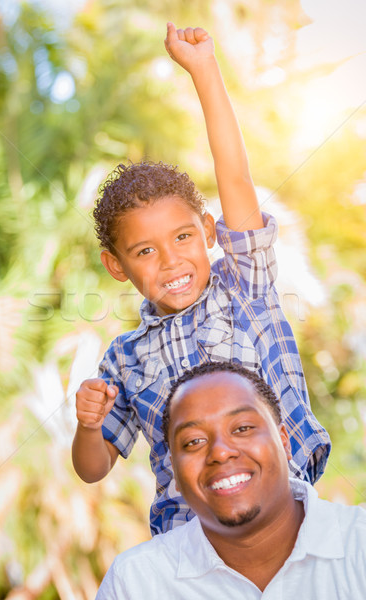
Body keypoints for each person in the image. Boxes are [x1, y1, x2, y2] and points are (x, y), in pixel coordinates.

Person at [72, 23, 330, 536]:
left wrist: (204, 69)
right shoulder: (124, 358)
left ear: (209, 231)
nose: (171, 261)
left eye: (183, 238)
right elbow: (92, 467)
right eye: (146, 250)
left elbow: (235, 177)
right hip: (187, 540)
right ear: (117, 266)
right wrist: (88, 424)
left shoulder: (246, 286)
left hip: (284, 517)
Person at [96, 362, 366, 599]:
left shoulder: (358, 543)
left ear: (284, 442)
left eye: (242, 428)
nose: (221, 452)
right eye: (194, 442)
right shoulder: (134, 583)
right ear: (174, 473)